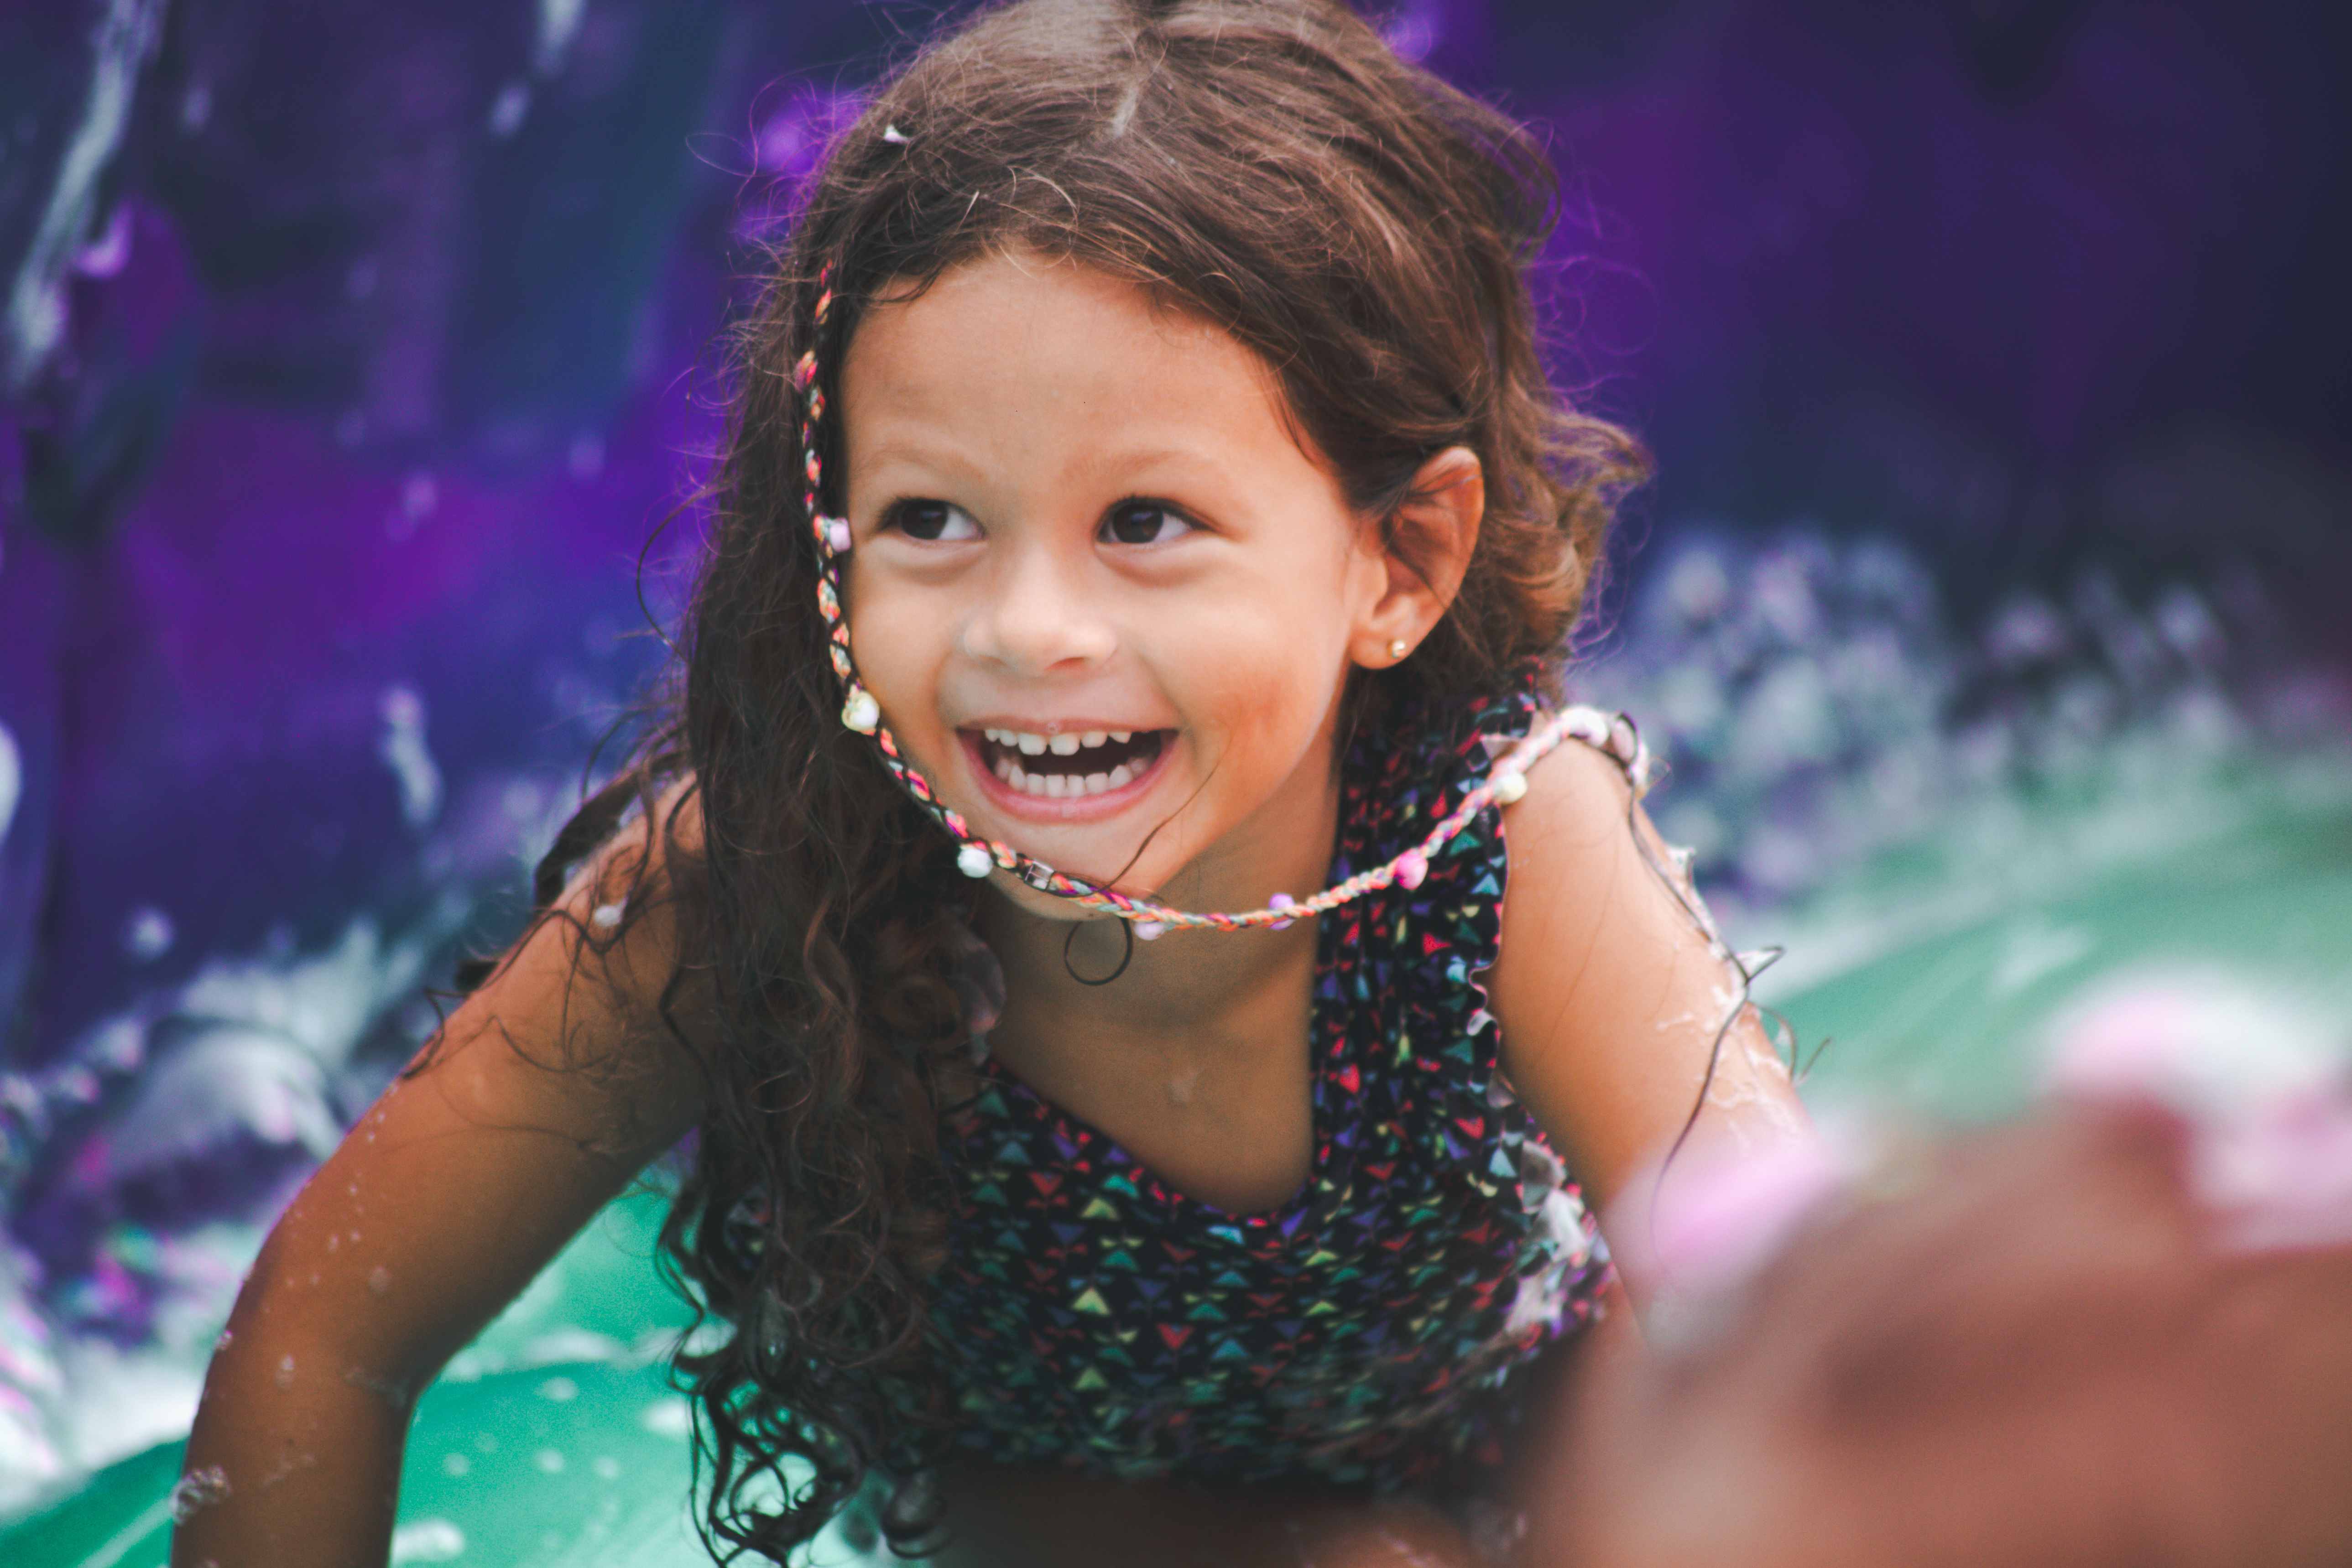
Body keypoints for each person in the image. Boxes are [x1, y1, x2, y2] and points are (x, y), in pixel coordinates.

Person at [169, 3, 1805, 1563]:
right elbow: (330, 1327)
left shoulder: (1501, 848)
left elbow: (1799, 1335)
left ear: (1400, 559)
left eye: (1146, 523)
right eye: (932, 522)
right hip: (1060, 1521)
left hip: (1530, 1470)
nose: (1027, 631)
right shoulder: (760, 868)